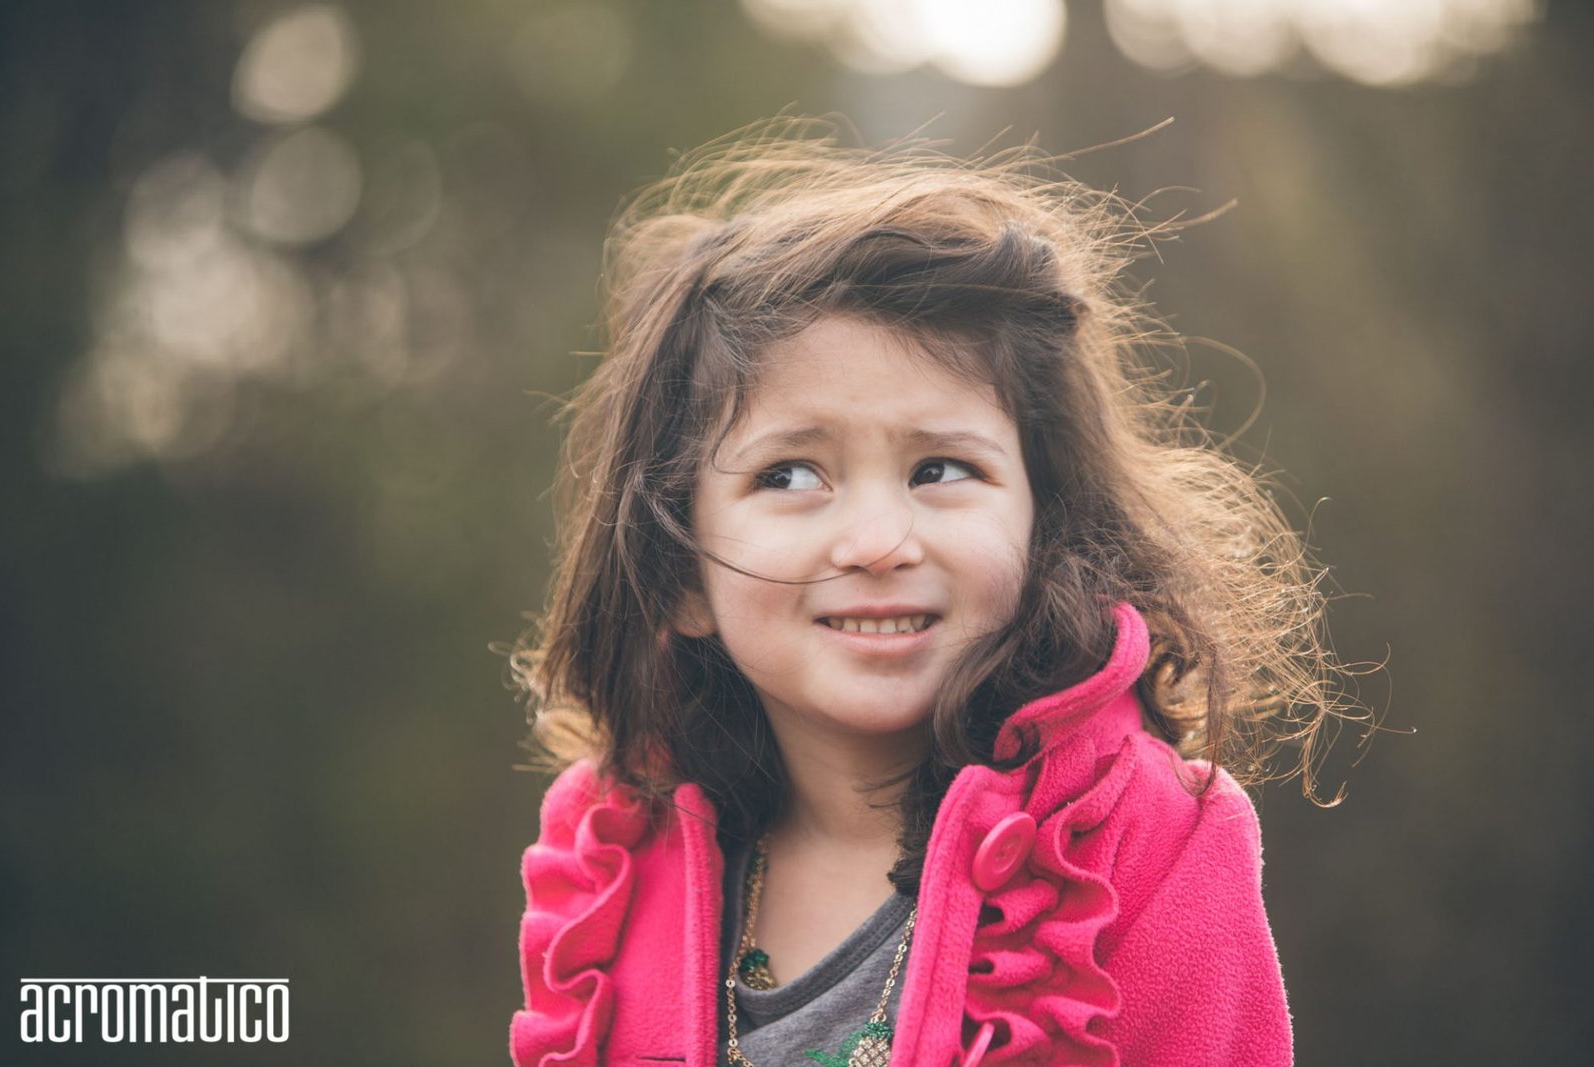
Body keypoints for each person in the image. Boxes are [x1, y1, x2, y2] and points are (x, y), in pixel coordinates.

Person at [506, 124, 1352, 1067]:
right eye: (791, 475)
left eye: (940, 467)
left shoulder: (1152, 844)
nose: (878, 542)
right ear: (678, 571)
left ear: (1047, 524)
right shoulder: (610, 855)